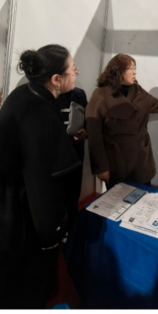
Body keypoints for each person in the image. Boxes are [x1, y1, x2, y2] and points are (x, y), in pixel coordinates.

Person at [0, 45, 82, 309]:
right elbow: (41, 185)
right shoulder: (39, 111)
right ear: (56, 79)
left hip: (6, 201)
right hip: (19, 214)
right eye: (72, 69)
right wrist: (53, 233)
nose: (76, 72)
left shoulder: (25, 92)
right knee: (24, 283)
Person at [86, 54, 158, 188]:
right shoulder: (101, 95)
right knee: (118, 198)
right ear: (118, 71)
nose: (135, 72)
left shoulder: (137, 90)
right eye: (131, 69)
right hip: (117, 160)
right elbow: (94, 135)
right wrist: (101, 167)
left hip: (141, 159)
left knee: (144, 196)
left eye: (135, 68)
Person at [57, 85, 88, 230]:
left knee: (73, 198)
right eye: (72, 73)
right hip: (55, 162)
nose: (75, 75)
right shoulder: (46, 95)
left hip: (76, 158)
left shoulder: (79, 94)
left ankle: (73, 231)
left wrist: (85, 132)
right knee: (56, 202)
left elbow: (87, 120)